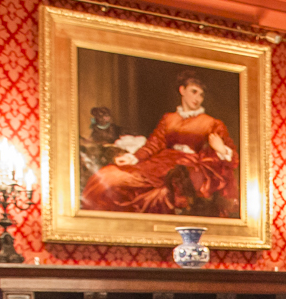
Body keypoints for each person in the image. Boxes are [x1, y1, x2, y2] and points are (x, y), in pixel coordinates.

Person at [82, 69, 238, 217]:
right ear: (182, 90)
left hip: (185, 166)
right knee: (108, 176)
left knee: (159, 193)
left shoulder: (211, 123)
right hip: (160, 161)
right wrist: (133, 158)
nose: (197, 98)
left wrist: (221, 150)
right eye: (194, 92)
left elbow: (232, 156)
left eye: (201, 95)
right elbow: (154, 143)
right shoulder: (168, 119)